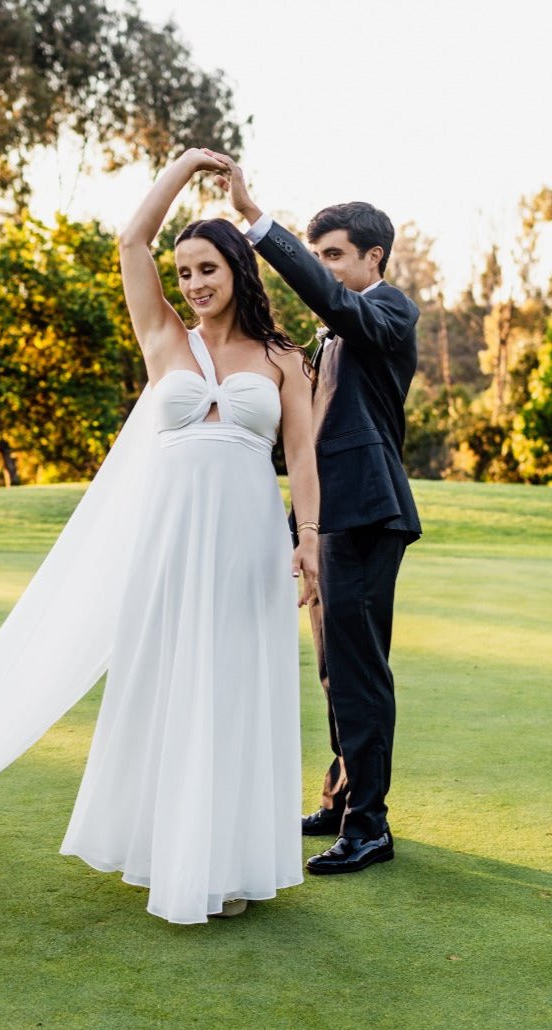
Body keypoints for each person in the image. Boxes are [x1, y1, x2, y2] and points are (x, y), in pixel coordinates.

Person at [0, 148, 320, 925]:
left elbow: (303, 455)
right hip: (170, 542)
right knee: (175, 688)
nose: (194, 283)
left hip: (247, 540)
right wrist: (184, 166)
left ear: (238, 269)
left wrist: (307, 538)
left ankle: (234, 862)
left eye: (207, 269)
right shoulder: (164, 337)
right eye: (185, 273)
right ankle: (174, 856)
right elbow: (131, 241)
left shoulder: (283, 358)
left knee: (237, 689)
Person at [209, 150, 421, 875]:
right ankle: (341, 799)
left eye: (335, 254)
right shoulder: (334, 335)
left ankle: (370, 827)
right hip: (329, 519)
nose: (326, 267)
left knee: (359, 671)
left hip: (367, 512)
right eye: (319, 254)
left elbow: (335, 304)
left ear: (373, 257)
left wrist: (254, 220)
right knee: (335, 670)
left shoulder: (388, 310)